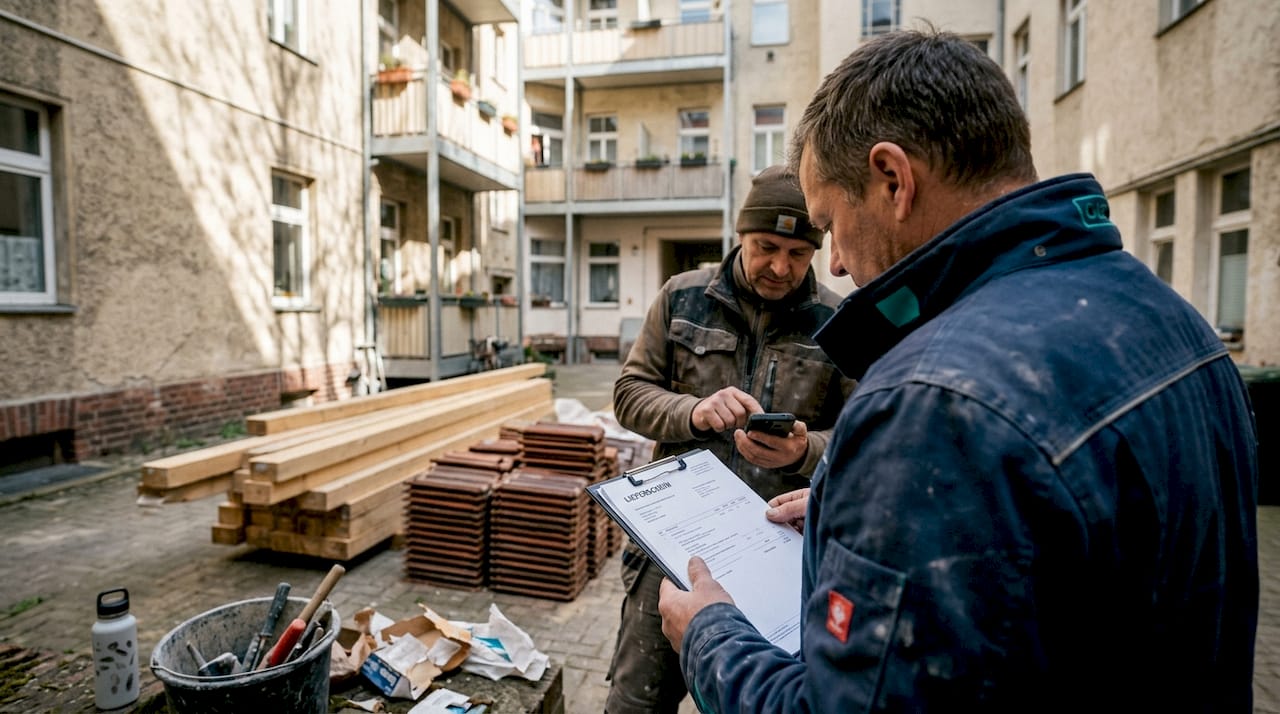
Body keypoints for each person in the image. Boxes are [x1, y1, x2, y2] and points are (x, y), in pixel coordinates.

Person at [658, 29, 1259, 713]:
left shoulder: (932, 402)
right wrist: (849, 516)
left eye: (831, 224)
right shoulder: (1176, 324)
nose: (837, 265)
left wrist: (709, 635)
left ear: (892, 179)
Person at [606, 165, 858, 713]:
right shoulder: (682, 298)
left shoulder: (837, 321)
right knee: (636, 701)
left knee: (757, 700)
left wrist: (806, 451)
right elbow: (629, 393)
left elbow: (863, 434)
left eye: (798, 254)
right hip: (674, 547)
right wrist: (694, 411)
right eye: (766, 246)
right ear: (740, 234)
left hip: (780, 552)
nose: (780, 266)